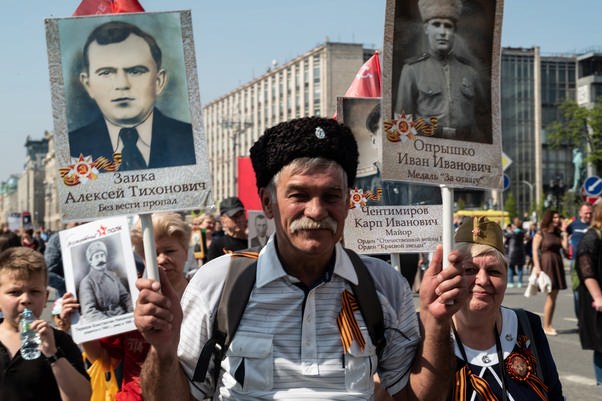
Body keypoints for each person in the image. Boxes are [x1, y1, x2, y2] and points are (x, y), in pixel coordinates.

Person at [134, 116, 467, 400]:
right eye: (299, 195)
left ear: (349, 201)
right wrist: (162, 350)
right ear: (268, 203)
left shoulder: (383, 284)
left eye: (331, 196)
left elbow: (415, 396)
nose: (316, 211)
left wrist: (437, 323)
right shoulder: (217, 284)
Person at [62, 212, 192, 401]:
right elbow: (106, 362)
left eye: (170, 251)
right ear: (142, 256)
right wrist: (79, 324)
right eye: (153, 253)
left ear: (186, 252)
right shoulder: (133, 298)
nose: (162, 259)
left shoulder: (204, 298)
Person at [448, 217, 563, 400]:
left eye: (494, 271)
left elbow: (555, 395)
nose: (483, 280)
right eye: (470, 270)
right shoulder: (426, 333)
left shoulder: (527, 325)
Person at [69, 21, 196, 171]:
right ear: (88, 85)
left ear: (159, 81)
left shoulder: (191, 140)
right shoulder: (71, 148)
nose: (122, 84)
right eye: (106, 73)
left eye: (136, 71)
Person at [0, 247, 91, 401]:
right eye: (15, 292)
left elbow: (81, 397)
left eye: (34, 292)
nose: (25, 299)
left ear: (45, 297)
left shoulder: (60, 341)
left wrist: (53, 354)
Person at [394, 0, 488, 143]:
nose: (442, 32)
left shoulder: (470, 73)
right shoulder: (412, 70)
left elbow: (483, 117)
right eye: (436, 25)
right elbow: (401, 120)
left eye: (448, 26)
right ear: (426, 28)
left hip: (465, 149)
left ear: (454, 31)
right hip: (426, 148)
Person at [575, 203, 602, 386]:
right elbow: (586, 270)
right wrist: (598, 297)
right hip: (597, 299)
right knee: (601, 345)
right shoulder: (592, 236)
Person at [532, 210, 569, 336]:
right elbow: (534, 251)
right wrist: (537, 267)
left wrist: (564, 232)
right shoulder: (541, 233)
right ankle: (547, 326)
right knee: (550, 296)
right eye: (555, 217)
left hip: (557, 262)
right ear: (549, 218)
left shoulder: (558, 233)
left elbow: (565, 247)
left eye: (558, 217)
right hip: (547, 263)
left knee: (554, 296)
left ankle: (548, 325)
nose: (557, 219)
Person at [78, 240, 132, 323]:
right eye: (96, 257)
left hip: (122, 316)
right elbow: (89, 311)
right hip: (103, 322)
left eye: (102, 255)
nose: (101, 259)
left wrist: (132, 311)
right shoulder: (87, 282)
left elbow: (125, 297)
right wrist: (110, 323)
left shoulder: (112, 276)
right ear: (90, 261)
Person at [567, 202, 593, 317]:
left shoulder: (595, 225)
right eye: (586, 213)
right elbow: (565, 233)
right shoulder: (574, 224)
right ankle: (580, 320)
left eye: (590, 213)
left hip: (592, 262)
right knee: (577, 292)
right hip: (576, 262)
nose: (588, 215)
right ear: (580, 213)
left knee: (592, 292)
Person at [206, 197, 248, 261]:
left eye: (241, 215)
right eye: (234, 216)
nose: (239, 220)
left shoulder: (254, 242)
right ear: (223, 221)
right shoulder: (218, 245)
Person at [504, 221, 526, 287]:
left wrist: (504, 228)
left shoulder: (512, 233)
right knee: (520, 268)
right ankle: (520, 282)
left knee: (511, 267)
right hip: (521, 252)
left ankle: (511, 282)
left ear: (515, 226)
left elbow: (505, 235)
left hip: (512, 252)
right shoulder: (522, 233)